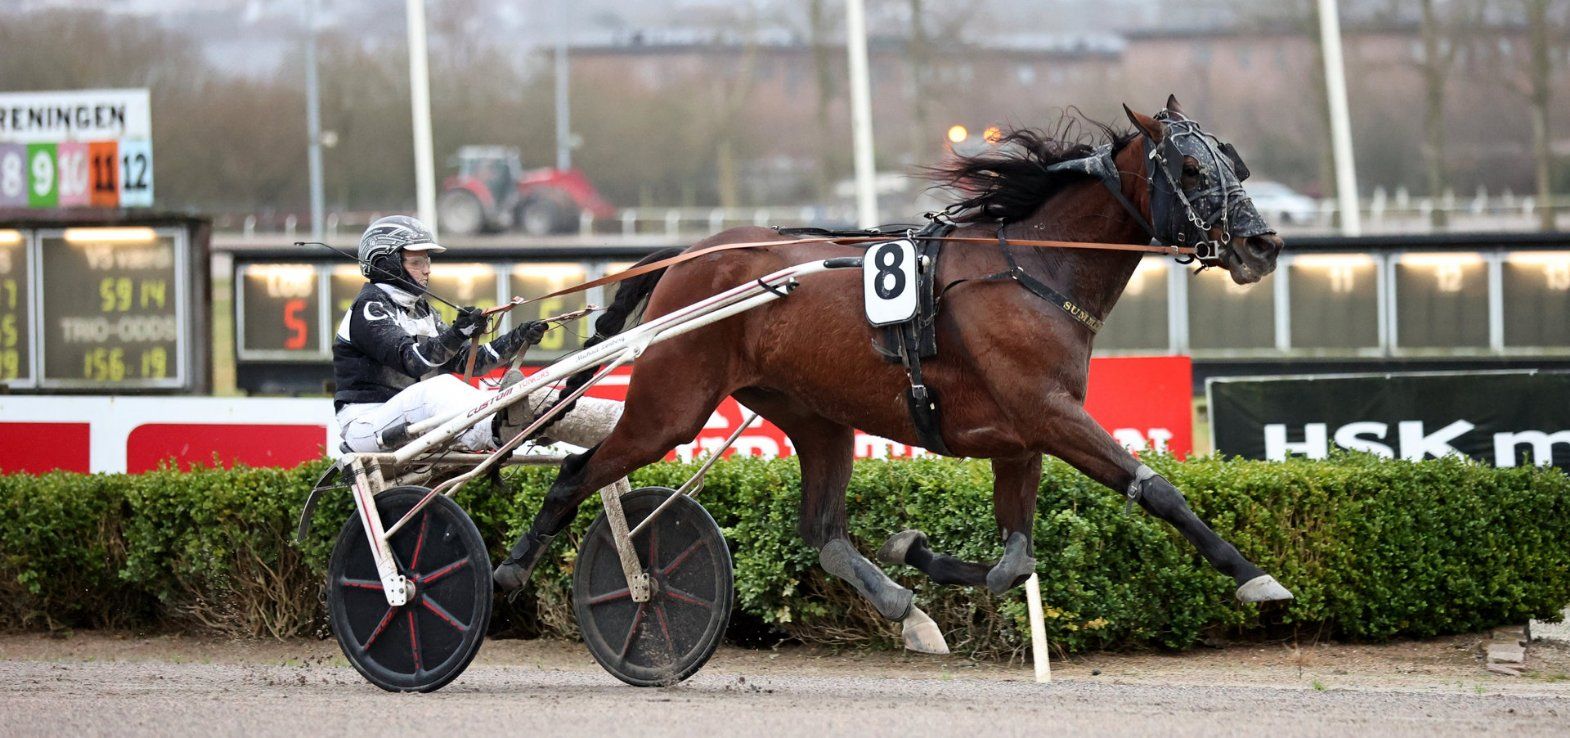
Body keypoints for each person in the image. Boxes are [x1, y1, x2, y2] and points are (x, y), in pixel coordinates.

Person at [333, 214, 621, 454]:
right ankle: (499, 428)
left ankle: (571, 421)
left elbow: (472, 361)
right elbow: (413, 361)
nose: (427, 270)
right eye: (417, 262)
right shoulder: (369, 308)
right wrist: (457, 332)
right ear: (387, 264)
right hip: (367, 422)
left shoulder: (422, 310)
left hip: (412, 418)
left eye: (427, 262)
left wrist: (516, 338)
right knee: (440, 388)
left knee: (481, 390)